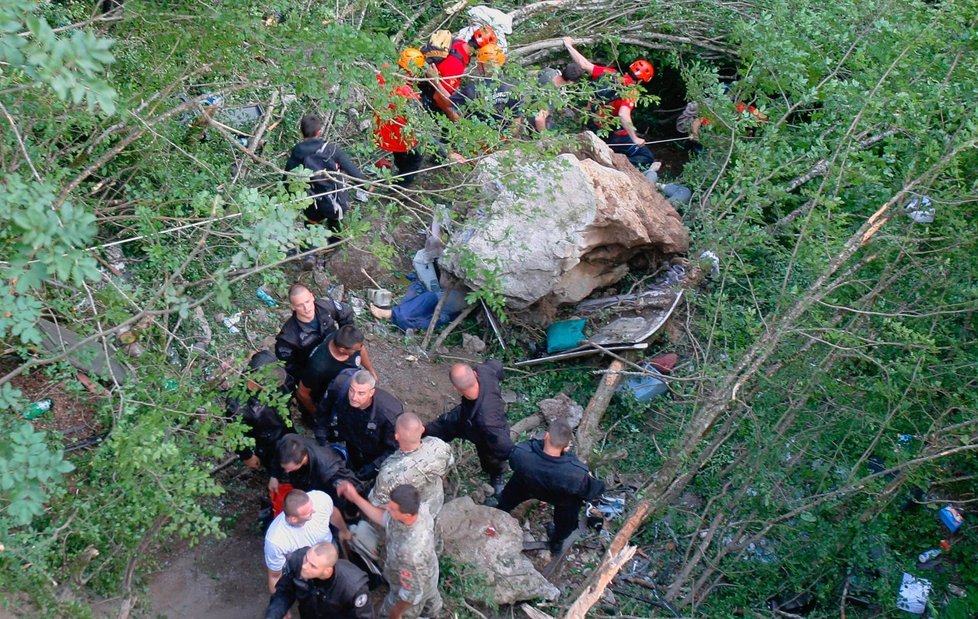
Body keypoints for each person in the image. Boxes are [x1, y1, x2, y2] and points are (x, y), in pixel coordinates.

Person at [346, 413, 454, 566]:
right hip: (433, 502)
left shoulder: (390, 472)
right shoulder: (438, 445)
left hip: (404, 518)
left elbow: (377, 502)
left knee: (401, 547)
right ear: (422, 429)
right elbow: (449, 462)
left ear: (396, 436)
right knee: (429, 525)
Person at [496, 419, 605, 554]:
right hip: (561, 498)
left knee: (507, 498)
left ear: (546, 436)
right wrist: (587, 475)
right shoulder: (576, 473)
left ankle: (498, 512)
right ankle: (556, 542)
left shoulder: (522, 453)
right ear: (566, 447)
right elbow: (593, 492)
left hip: (526, 485)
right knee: (567, 520)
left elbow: (512, 461)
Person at [338, 483, 441, 619]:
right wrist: (355, 497)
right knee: (431, 605)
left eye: (392, 509)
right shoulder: (419, 509)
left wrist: (396, 613)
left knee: (388, 614)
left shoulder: (410, 553)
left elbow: (411, 594)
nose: (387, 508)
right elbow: (383, 518)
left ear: (407, 515)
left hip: (409, 591)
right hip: (428, 573)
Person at [562, 37, 656, 169]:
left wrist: (569, 45)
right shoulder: (631, 91)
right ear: (642, 81)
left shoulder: (611, 73)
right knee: (647, 157)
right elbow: (623, 115)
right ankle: (614, 166)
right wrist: (634, 138)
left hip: (592, 122)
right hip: (612, 134)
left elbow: (583, 64)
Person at [425, 360, 514, 498]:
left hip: (485, 432)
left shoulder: (487, 422)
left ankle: (497, 474)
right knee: (444, 424)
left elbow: (504, 447)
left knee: (490, 458)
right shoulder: (485, 372)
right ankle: (421, 434)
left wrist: (509, 456)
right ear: (474, 373)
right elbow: (497, 365)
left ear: (455, 388)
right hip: (466, 414)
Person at [284, 114, 368, 233]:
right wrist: (367, 186)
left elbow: (288, 179)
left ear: (301, 133)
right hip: (334, 198)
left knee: (312, 224)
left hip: (311, 200)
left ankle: (312, 248)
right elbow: (351, 170)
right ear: (319, 132)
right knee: (334, 219)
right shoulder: (331, 149)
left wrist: (294, 199)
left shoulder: (297, 152)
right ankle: (335, 243)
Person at [316, 369, 402, 480]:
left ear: (371, 392)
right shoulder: (340, 388)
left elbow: (394, 448)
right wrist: (321, 434)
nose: (354, 397)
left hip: (373, 450)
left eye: (361, 393)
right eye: (352, 390)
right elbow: (323, 411)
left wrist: (375, 466)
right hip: (350, 437)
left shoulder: (388, 414)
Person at [264, 489, 350, 593]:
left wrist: (344, 531)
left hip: (329, 552)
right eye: (309, 512)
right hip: (306, 568)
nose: (314, 510)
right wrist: (282, 608)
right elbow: (274, 576)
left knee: (340, 583)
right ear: (294, 519)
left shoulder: (320, 499)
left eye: (312, 506)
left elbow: (333, 514)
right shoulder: (276, 541)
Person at [275, 283, 354, 390]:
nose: (306, 308)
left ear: (312, 296)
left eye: (307, 301)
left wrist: (345, 339)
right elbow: (288, 365)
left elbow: (346, 312)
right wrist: (308, 378)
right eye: (300, 305)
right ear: (293, 307)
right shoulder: (288, 336)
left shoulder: (325, 307)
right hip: (314, 369)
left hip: (338, 354)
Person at [265, 542, 373, 619]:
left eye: (313, 566)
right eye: (306, 558)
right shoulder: (298, 561)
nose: (304, 566)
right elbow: (284, 593)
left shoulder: (352, 588)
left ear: (327, 571)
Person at [227, 350, 289, 478]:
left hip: (283, 425)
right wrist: (247, 456)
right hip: (264, 439)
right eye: (273, 388)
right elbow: (235, 434)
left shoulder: (267, 360)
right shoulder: (237, 405)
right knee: (272, 461)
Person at [296, 324, 376, 416]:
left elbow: (361, 349)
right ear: (342, 350)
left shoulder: (346, 340)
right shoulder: (318, 367)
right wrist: (315, 412)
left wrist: (370, 370)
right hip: (325, 397)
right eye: (355, 350)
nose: (360, 349)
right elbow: (302, 393)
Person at [422, 26, 498, 121]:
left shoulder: (459, 43)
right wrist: (454, 118)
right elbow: (439, 97)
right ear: (480, 50)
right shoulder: (456, 65)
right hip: (430, 97)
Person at [374, 49, 425, 186]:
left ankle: (397, 170)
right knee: (415, 159)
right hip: (400, 137)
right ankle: (399, 189)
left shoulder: (384, 74)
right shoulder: (406, 92)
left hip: (381, 129)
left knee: (401, 156)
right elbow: (416, 121)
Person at [273, 434, 359, 502]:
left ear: (303, 459)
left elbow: (355, 486)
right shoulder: (287, 442)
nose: (286, 472)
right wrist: (274, 476)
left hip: (331, 463)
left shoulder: (328, 469)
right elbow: (277, 457)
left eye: (289, 469)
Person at [532, 62, 585, 132]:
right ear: (570, 82)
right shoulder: (554, 97)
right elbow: (539, 119)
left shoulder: (548, 71)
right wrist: (545, 138)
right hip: (531, 116)